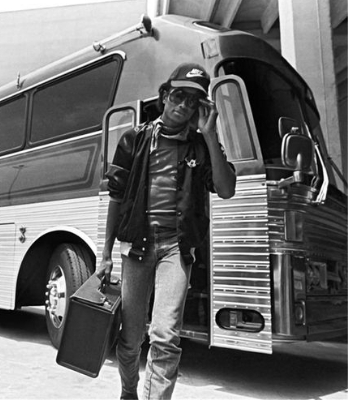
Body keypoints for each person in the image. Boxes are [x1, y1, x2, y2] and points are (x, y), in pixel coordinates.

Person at [96, 63, 236, 400]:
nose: (184, 106)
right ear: (164, 96)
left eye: (193, 102)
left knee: (164, 335)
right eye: (178, 96)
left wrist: (209, 134)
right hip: (138, 249)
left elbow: (226, 188)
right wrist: (105, 255)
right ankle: (129, 392)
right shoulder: (134, 140)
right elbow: (116, 198)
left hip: (176, 249)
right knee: (130, 341)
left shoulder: (200, 148)